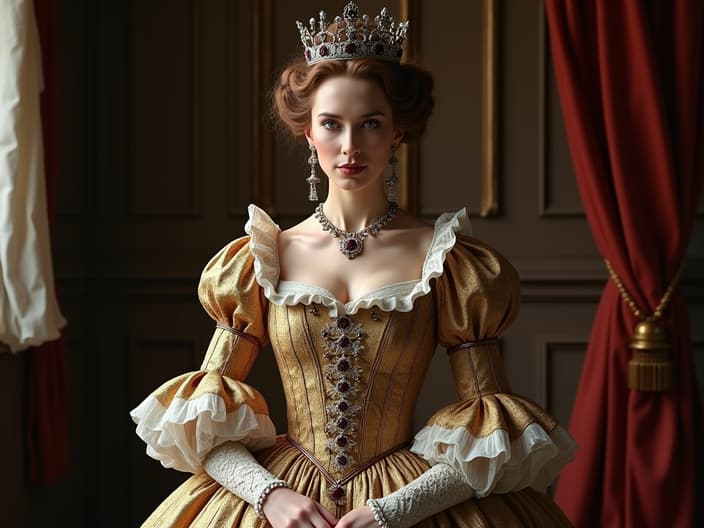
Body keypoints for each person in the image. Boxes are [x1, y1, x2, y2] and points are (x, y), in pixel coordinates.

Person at [131, 3, 577, 526]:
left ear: (398, 132)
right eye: (331, 124)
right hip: (280, 500)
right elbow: (202, 421)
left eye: (370, 124)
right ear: (308, 132)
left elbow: (490, 428)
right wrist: (270, 496)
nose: (349, 146)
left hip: (406, 499)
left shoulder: (451, 262)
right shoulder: (258, 260)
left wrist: (395, 510)